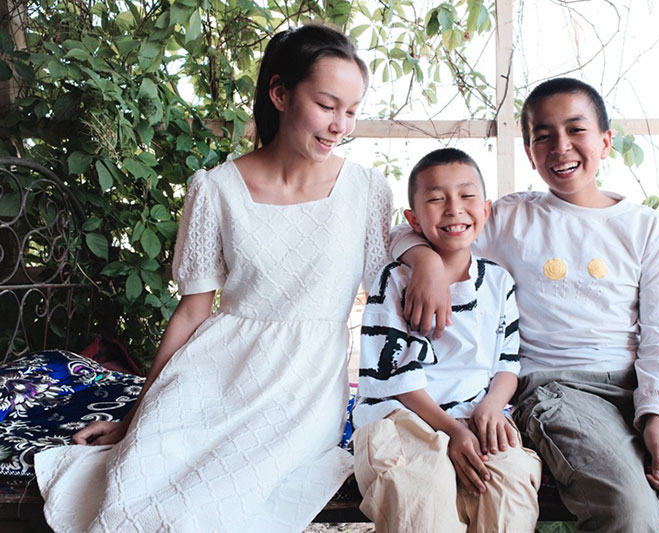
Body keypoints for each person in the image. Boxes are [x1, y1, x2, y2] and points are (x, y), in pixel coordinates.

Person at [391, 78, 659, 532]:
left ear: (605, 141)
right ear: (530, 153)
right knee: (630, 510)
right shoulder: (509, 217)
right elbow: (413, 228)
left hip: (642, 383)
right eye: (542, 135)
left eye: (575, 130)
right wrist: (424, 261)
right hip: (558, 388)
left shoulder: (645, 227)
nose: (560, 146)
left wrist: (658, 415)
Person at [34, 24, 392, 533]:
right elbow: (193, 310)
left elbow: (390, 285)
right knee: (134, 482)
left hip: (302, 391)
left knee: (204, 505)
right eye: (328, 105)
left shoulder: (366, 190)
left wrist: (423, 255)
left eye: (352, 111)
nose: (341, 126)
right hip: (215, 369)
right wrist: (139, 416)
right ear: (280, 93)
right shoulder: (217, 189)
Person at [352, 148, 541, 533]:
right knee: (418, 491)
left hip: (475, 415)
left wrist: (491, 407)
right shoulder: (395, 281)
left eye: (467, 196)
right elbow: (392, 377)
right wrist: (451, 430)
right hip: (401, 417)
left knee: (509, 484)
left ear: (485, 211)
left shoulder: (498, 282)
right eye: (436, 199)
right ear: (413, 220)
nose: (454, 209)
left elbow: (507, 363)